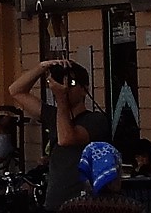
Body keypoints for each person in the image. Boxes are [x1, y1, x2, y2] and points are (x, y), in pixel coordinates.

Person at [8, 59, 111, 210]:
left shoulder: (96, 120)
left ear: (84, 89)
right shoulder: (54, 116)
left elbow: (66, 138)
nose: (65, 88)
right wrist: (42, 67)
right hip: (54, 202)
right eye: (62, 83)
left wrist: (61, 99)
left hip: (83, 203)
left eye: (72, 84)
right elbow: (16, 91)